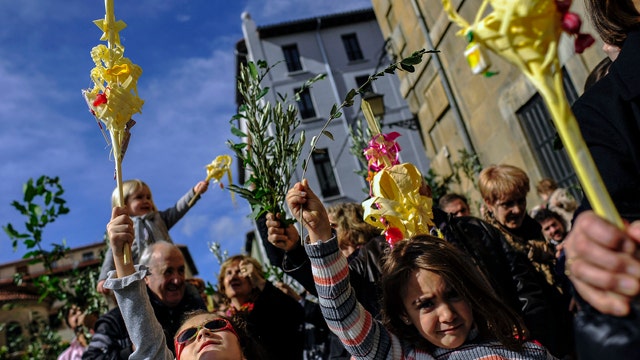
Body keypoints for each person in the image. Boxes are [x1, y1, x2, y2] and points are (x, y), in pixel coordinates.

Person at [284, 179, 555, 359]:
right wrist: (320, 236)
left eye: (453, 294)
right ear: (403, 313)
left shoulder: (528, 351)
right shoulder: (401, 355)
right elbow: (342, 313)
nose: (447, 315)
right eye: (425, 304)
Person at [102, 206, 265, 360]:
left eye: (216, 325)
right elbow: (148, 341)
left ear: (242, 349)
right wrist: (120, 257)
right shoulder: (114, 322)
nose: (203, 333)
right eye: (188, 336)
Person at [83, 241, 206, 359]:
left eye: (181, 271)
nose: (177, 280)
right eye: (168, 272)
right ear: (146, 278)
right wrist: (133, 351)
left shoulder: (195, 308)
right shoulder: (116, 321)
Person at [97, 179, 209, 294]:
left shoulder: (159, 219)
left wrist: (194, 193)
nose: (146, 201)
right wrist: (103, 278)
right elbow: (112, 254)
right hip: (141, 275)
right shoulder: (124, 228)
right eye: (139, 197)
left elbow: (178, 209)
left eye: (148, 197)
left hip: (165, 268)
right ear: (124, 204)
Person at [478, 164, 558, 289]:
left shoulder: (533, 228)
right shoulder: (488, 244)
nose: (517, 210)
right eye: (508, 204)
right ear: (489, 203)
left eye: (521, 200)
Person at [218, 254, 305, 360]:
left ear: (252, 279)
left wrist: (259, 281)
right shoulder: (222, 322)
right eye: (229, 273)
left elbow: (297, 313)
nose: (233, 277)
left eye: (240, 271)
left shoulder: (270, 306)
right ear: (223, 285)